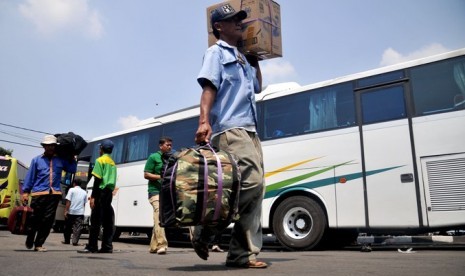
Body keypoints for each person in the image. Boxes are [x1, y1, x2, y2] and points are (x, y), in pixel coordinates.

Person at [192, 4, 267, 269]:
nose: (239, 22)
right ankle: (206, 230)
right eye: (232, 20)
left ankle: (241, 255)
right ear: (219, 27)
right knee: (251, 183)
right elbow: (209, 88)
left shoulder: (244, 58)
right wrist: (204, 121)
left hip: (251, 131)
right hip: (229, 129)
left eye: (240, 19)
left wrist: (256, 59)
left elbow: (257, 88)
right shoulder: (215, 53)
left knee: (256, 191)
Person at [22, 135, 77, 252]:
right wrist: (25, 192)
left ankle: (39, 244)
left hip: (54, 194)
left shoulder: (60, 160)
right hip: (38, 194)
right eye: (48, 146)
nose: (50, 148)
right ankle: (30, 238)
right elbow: (30, 177)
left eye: (52, 145)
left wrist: (72, 157)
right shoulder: (36, 160)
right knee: (34, 219)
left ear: (55, 147)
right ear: (44, 147)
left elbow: (72, 169)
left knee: (48, 220)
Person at [78, 139, 117, 253]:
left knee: (95, 221)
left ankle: (92, 246)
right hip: (109, 193)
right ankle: (107, 246)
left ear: (101, 149)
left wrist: (93, 197)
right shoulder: (112, 163)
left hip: (100, 192)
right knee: (107, 222)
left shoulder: (100, 160)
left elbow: (97, 180)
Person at [143, 136, 172, 255]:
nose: (170, 147)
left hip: (165, 192)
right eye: (167, 145)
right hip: (154, 191)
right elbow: (146, 174)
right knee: (159, 215)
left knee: (158, 218)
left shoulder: (171, 158)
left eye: (171, 145)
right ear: (161, 146)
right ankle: (162, 245)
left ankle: (154, 246)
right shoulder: (153, 157)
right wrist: (161, 177)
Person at [62, 178, 87, 246]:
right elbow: (84, 203)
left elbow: (68, 201)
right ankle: (75, 241)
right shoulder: (84, 192)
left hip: (71, 211)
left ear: (74, 183)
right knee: (77, 227)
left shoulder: (71, 190)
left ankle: (67, 240)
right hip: (80, 212)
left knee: (67, 226)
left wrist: (66, 210)